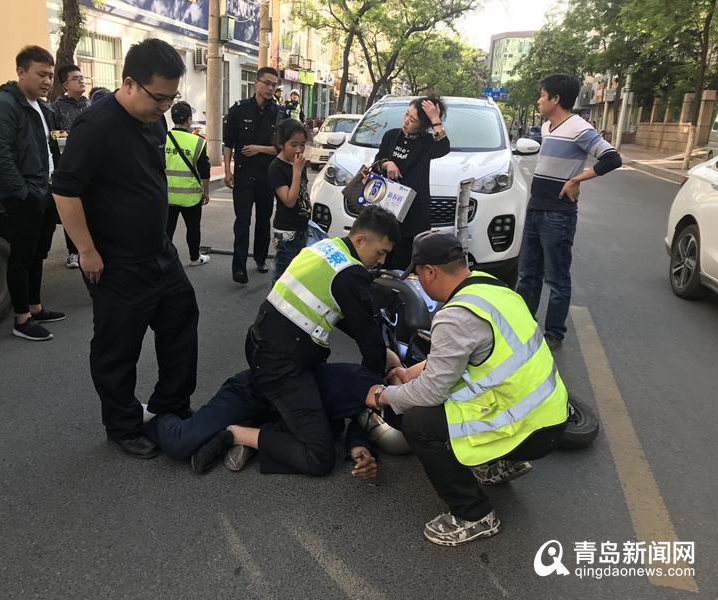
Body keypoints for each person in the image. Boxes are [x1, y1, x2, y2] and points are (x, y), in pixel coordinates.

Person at [367, 230, 569, 547]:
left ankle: (474, 514)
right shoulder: (491, 288)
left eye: (418, 276)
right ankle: (500, 463)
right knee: (448, 400)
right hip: (551, 412)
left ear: (430, 272)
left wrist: (383, 396)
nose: (418, 283)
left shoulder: (454, 316)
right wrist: (413, 371)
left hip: (529, 427)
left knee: (418, 421)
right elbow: (468, 356)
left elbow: (430, 394)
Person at [52, 39, 198, 459]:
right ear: (129, 82)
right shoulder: (96, 126)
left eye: (173, 98)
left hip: (158, 253)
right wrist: (86, 251)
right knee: (118, 347)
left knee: (180, 322)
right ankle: (123, 424)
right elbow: (64, 190)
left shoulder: (153, 120)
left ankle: (172, 405)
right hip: (115, 262)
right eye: (159, 97)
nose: (166, 107)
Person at [194, 206, 402, 476]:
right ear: (360, 240)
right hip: (285, 364)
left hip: (268, 348)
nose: (382, 261)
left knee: (329, 421)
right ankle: (236, 434)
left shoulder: (327, 247)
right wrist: (377, 383)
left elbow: (349, 321)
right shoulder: (351, 273)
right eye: (381, 252)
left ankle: (256, 428)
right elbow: (368, 338)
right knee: (320, 458)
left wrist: (383, 356)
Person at [515, 74, 622, 350]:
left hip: (558, 215)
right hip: (536, 210)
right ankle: (523, 326)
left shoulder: (579, 128)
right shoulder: (548, 127)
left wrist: (576, 180)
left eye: (542, 94)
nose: (538, 100)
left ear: (555, 98)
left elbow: (612, 158)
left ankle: (553, 334)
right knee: (527, 275)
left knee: (556, 278)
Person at [143, 362, 379, 480]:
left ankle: (245, 435)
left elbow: (360, 417)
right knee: (180, 443)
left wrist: (359, 447)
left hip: (285, 411)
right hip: (251, 393)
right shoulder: (361, 378)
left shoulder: (374, 390)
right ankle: (153, 415)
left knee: (332, 430)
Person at [0, 45, 65, 342]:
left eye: (50, 75)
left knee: (37, 254)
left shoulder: (42, 107)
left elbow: (47, 149)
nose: (47, 81)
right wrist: (23, 192)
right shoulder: (5, 104)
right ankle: (22, 318)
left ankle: (35, 307)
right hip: (24, 196)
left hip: (44, 190)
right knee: (20, 257)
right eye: (41, 74)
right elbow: (1, 155)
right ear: (21, 72)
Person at [223, 66, 287, 284]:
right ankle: (238, 268)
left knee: (263, 220)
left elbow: (282, 148)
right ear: (256, 83)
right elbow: (228, 143)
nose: (270, 88)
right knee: (242, 222)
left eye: (274, 84)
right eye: (267, 83)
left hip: (267, 177)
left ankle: (260, 259)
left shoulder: (280, 114)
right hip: (242, 176)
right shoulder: (239, 110)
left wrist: (260, 149)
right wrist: (226, 170)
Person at [374, 96, 450, 269]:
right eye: (406, 114)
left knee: (406, 262)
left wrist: (435, 119)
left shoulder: (428, 143)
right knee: (382, 259)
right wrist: (387, 163)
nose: (406, 121)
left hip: (414, 213)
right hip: (388, 208)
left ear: (423, 126)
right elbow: (377, 162)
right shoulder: (391, 136)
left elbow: (444, 147)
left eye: (413, 119)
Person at [51, 64, 91, 270]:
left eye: (82, 77)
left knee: (91, 207)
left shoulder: (89, 104)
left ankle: (91, 247)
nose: (82, 80)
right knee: (71, 209)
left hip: (91, 164)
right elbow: (53, 136)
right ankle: (73, 252)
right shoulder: (56, 107)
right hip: (69, 165)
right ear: (66, 84)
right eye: (76, 78)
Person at [165, 100, 211, 266]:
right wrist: (206, 192)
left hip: (168, 196)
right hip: (190, 197)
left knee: (167, 230)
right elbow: (205, 171)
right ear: (189, 119)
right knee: (193, 228)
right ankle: (194, 257)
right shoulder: (197, 142)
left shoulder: (164, 139)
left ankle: (165, 259)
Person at [268, 118, 312, 284]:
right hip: (287, 232)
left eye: (302, 144)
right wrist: (296, 172)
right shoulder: (276, 167)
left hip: (302, 228)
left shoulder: (297, 164)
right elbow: (289, 200)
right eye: (293, 145)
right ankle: (274, 308)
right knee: (283, 277)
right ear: (281, 143)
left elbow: (303, 194)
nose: (299, 150)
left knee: (298, 276)